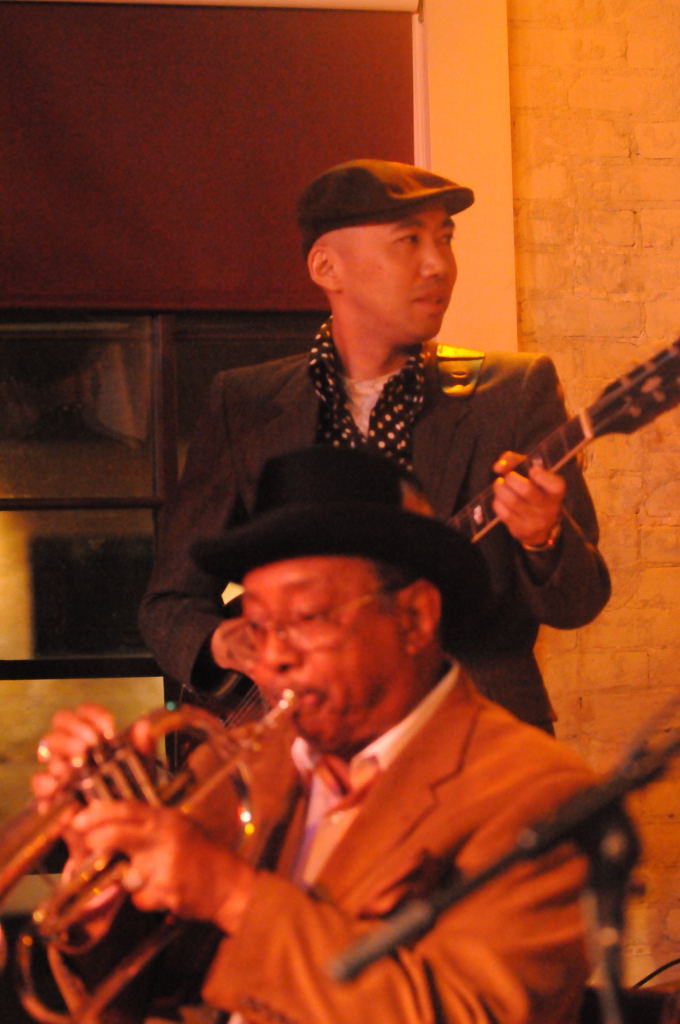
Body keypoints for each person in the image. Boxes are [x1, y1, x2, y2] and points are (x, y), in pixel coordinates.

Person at [33, 447, 596, 1024]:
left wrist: (231, 894)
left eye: (305, 618)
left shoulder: (536, 793)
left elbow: (472, 1013)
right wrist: (107, 876)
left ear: (415, 619)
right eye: (256, 627)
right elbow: (148, 995)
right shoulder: (236, 767)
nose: (273, 657)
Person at [138, 157, 611, 731]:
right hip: (297, 744)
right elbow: (170, 604)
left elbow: (578, 602)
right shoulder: (245, 402)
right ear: (326, 266)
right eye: (409, 241)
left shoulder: (512, 392)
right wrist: (227, 646)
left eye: (445, 239)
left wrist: (543, 537)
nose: (438, 265)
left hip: (476, 739)